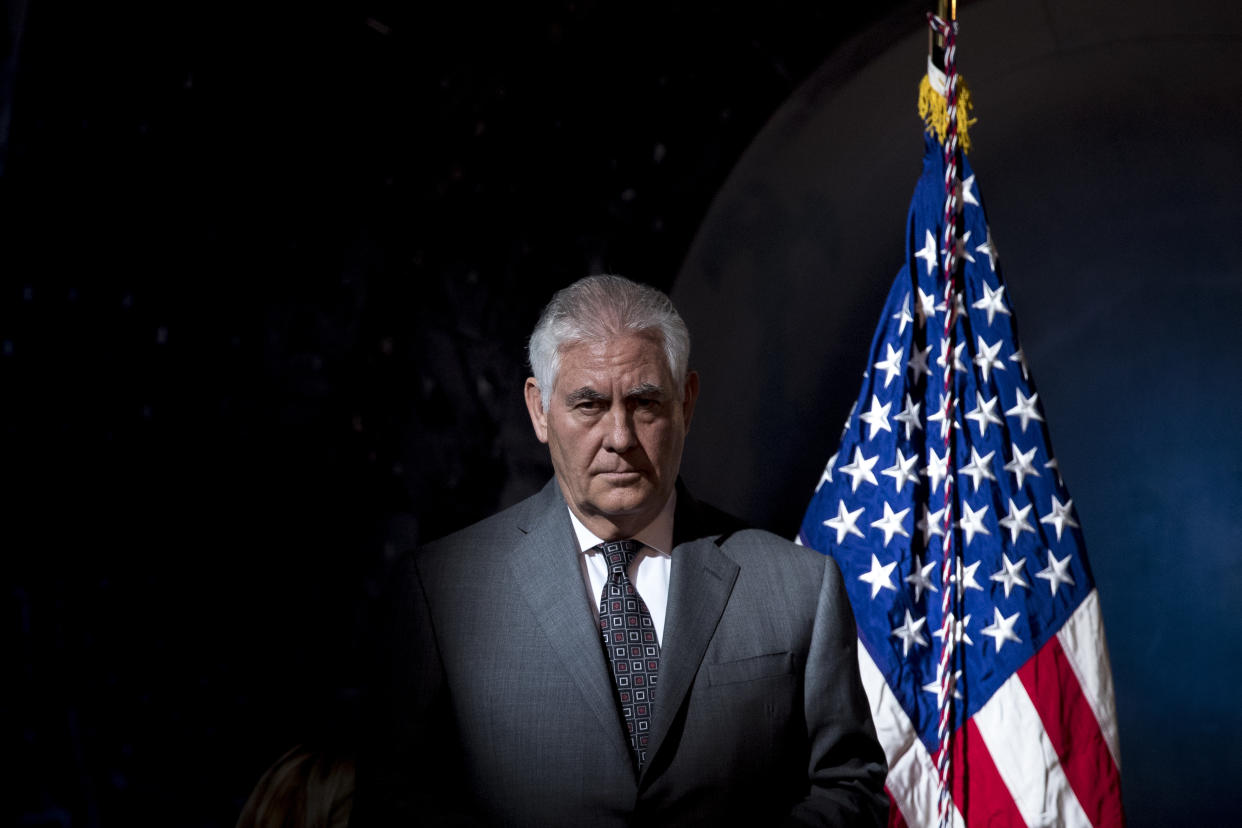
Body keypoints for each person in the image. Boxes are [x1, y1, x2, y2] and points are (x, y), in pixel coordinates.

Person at [351, 275, 887, 826]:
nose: (620, 437)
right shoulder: (440, 593)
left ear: (687, 402)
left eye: (644, 403)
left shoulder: (799, 586)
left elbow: (851, 787)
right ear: (538, 410)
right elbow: (394, 806)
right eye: (588, 405)